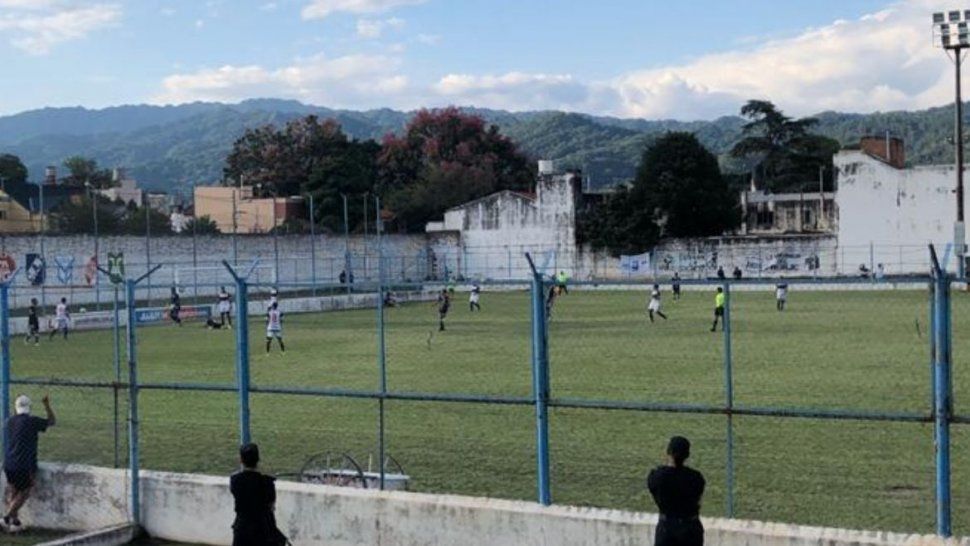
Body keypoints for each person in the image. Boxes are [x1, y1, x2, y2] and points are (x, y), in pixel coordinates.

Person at [3, 394, 55, 533]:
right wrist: (46, 405)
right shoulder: (32, 421)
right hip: (24, 463)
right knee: (25, 491)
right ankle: (6, 517)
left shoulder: (8, 422)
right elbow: (51, 421)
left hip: (8, 462)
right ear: (29, 408)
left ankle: (15, 523)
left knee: (14, 490)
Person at [647, 436, 705, 546]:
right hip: (690, 528)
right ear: (687, 455)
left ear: (668, 453)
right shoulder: (696, 478)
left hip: (667, 527)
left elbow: (653, 488)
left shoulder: (658, 477)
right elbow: (699, 499)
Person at [230, 443, 287, 546]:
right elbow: (271, 507)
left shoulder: (235, 481)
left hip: (242, 531)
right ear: (258, 460)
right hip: (263, 531)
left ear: (241, 460)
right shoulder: (267, 482)